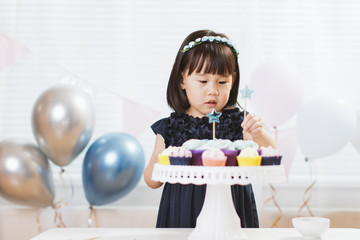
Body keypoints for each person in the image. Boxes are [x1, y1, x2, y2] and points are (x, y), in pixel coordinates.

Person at [143, 29, 276, 228]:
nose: (212, 90)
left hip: (232, 208)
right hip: (183, 210)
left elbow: (271, 153)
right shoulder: (170, 127)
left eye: (222, 82)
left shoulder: (240, 122)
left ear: (232, 81)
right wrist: (164, 157)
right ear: (182, 80)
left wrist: (259, 133)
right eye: (203, 81)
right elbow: (151, 181)